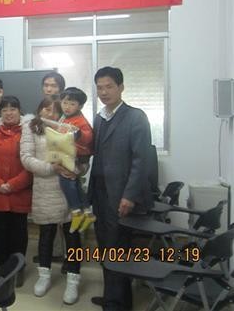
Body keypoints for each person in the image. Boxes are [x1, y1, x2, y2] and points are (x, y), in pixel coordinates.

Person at [89, 66, 153, 311]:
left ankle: (117, 304)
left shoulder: (136, 117)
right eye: (100, 88)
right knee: (106, 247)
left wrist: (129, 195)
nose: (104, 92)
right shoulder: (99, 117)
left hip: (121, 196)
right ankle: (112, 297)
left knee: (117, 250)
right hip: (100, 194)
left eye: (109, 86)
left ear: (121, 87)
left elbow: (141, 161)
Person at [20, 97, 82, 303]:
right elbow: (26, 158)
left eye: (55, 110)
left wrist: (77, 170)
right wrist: (50, 168)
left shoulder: (69, 126)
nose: (50, 113)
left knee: (73, 235)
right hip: (45, 188)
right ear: (39, 110)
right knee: (46, 235)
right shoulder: (31, 128)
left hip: (69, 188)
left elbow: (84, 156)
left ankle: (73, 279)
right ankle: (44, 276)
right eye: (46, 109)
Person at [0, 96, 32, 270]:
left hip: (19, 193)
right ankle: (2, 268)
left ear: (19, 111)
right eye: (5, 110)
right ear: (0, 113)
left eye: (13, 109)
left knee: (19, 233)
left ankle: (17, 268)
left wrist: (13, 184)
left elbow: (32, 162)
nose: (9, 113)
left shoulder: (29, 132)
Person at [56, 87, 95, 233]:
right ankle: (87, 212)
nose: (67, 106)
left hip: (77, 156)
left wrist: (77, 133)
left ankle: (76, 211)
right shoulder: (65, 117)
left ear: (80, 106)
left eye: (72, 104)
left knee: (66, 180)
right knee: (76, 184)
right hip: (71, 154)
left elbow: (88, 136)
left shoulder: (79, 120)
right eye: (65, 102)